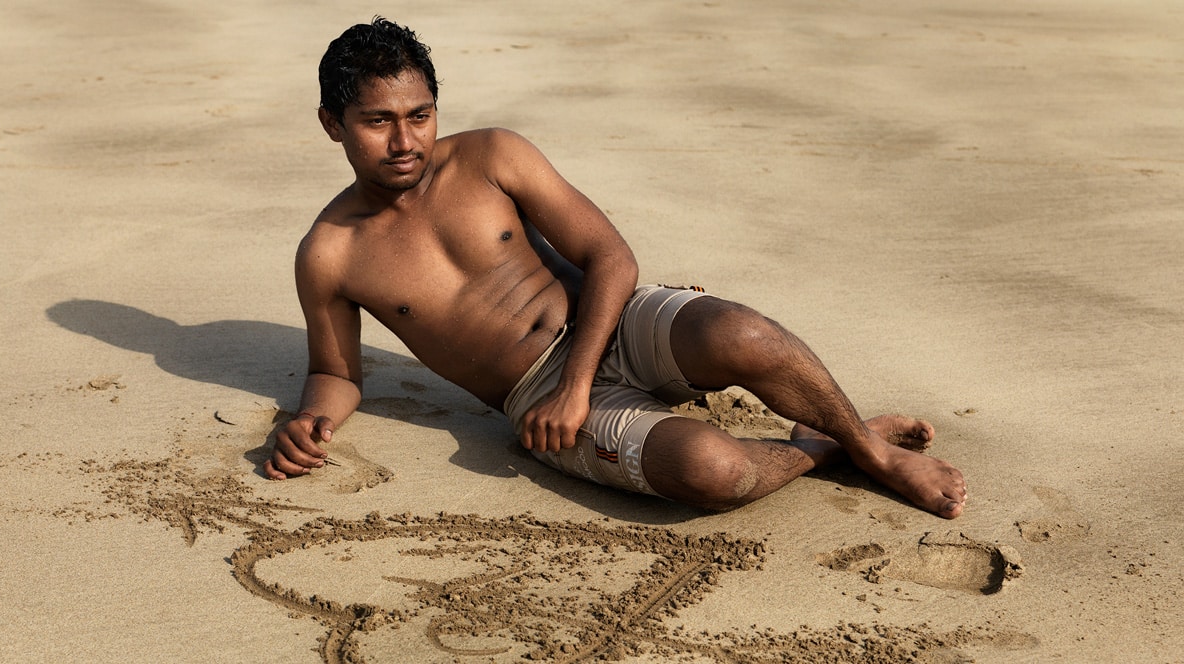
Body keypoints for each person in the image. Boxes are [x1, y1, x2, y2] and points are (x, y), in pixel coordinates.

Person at [264, 17, 967, 519]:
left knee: (748, 335)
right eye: (377, 121)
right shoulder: (330, 252)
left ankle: (870, 450)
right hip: (543, 402)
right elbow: (337, 374)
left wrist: (579, 377)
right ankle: (820, 447)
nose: (405, 140)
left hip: (614, 320)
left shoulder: (492, 157)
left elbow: (610, 256)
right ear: (333, 123)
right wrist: (308, 422)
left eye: (420, 115)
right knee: (714, 472)